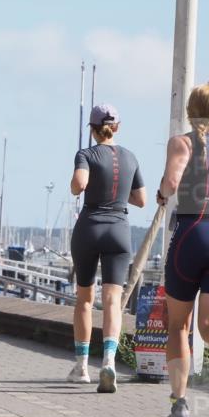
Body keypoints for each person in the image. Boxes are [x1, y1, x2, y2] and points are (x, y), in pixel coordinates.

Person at [156, 84, 209, 417]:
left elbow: (172, 182)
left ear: (190, 111)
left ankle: (180, 404)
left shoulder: (182, 142)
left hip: (193, 232)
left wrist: (161, 193)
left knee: (179, 325)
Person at [67, 104, 146, 392]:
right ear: (117, 127)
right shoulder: (130, 157)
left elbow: (79, 184)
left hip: (90, 227)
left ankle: (81, 367)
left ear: (92, 129)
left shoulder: (86, 154)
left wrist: (78, 187)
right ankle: (109, 361)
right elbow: (141, 200)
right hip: (119, 230)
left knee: (85, 299)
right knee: (113, 300)